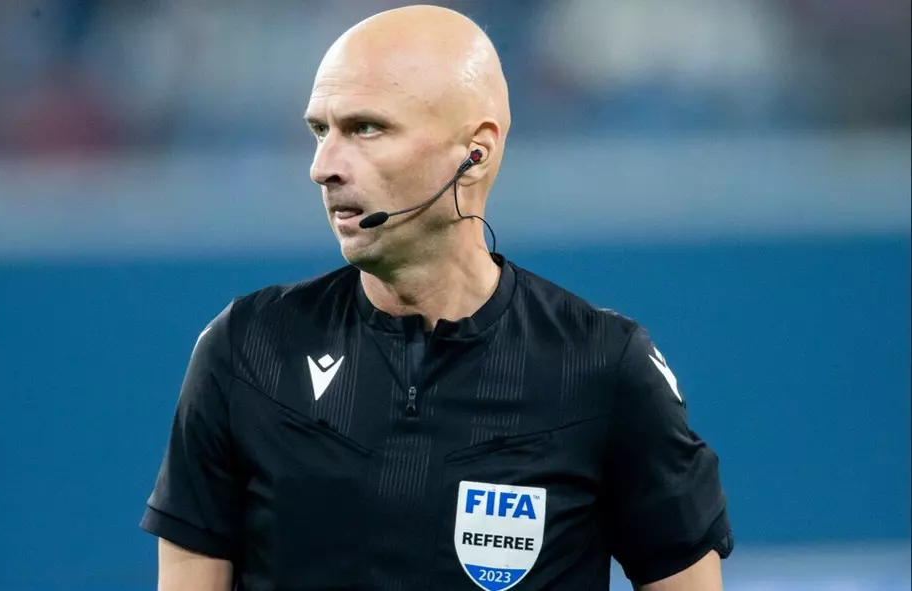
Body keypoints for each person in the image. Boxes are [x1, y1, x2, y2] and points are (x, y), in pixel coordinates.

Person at [140, 5, 733, 590]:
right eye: (321, 130)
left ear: (474, 153)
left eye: (366, 128)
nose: (323, 166)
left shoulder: (600, 364)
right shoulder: (247, 349)